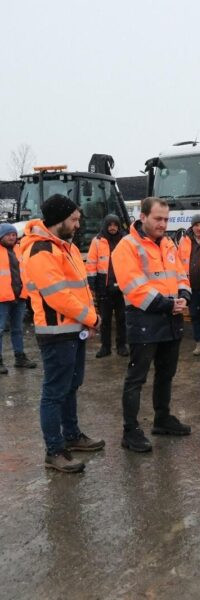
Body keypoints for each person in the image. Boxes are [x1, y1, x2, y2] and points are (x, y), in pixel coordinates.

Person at [21, 194, 104, 473]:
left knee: (71, 386)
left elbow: (78, 289)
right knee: (55, 392)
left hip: (73, 329)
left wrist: (87, 321)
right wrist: (92, 317)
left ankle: (72, 436)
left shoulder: (62, 246)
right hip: (57, 332)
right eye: (74, 219)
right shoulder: (41, 250)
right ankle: (54, 450)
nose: (78, 224)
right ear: (59, 220)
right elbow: (59, 297)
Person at [112, 197, 192, 452]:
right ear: (143, 216)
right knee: (137, 378)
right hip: (144, 319)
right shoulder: (127, 246)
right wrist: (169, 304)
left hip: (170, 318)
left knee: (166, 374)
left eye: (166, 219)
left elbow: (181, 273)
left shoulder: (168, 243)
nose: (163, 224)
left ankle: (162, 418)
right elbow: (134, 287)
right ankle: (130, 431)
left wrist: (184, 296)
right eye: (158, 218)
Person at [86, 214, 128, 358]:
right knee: (105, 319)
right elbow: (91, 263)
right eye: (110, 225)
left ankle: (122, 345)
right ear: (105, 225)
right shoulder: (97, 241)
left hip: (123, 287)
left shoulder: (125, 240)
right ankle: (105, 347)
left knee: (122, 319)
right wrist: (92, 283)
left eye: (115, 225)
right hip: (104, 288)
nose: (112, 228)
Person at [0, 223, 36, 374]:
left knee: (18, 329)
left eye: (14, 235)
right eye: (8, 234)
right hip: (2, 298)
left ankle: (20, 357)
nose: (12, 237)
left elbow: (24, 272)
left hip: (19, 296)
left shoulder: (18, 250)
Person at [178, 214, 200, 356]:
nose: (199, 228)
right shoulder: (184, 240)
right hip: (191, 286)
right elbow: (179, 262)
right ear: (192, 227)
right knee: (196, 316)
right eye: (196, 225)